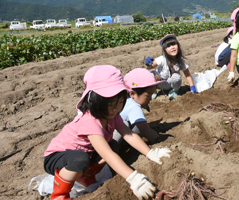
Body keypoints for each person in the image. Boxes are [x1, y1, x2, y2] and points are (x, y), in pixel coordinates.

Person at [44, 65, 172, 200]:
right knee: (81, 160)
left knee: (113, 145)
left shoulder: (113, 116)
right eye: (112, 104)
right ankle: (59, 194)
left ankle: (87, 177)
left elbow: (129, 135)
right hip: (57, 156)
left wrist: (151, 153)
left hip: (86, 153)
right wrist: (134, 178)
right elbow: (107, 154)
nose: (117, 109)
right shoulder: (90, 121)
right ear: (96, 100)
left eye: (121, 102)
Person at [113, 68, 164, 144]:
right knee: (137, 127)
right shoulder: (134, 107)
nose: (150, 99)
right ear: (132, 93)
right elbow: (145, 130)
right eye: (147, 96)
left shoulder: (125, 99)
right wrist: (160, 141)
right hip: (112, 140)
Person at [144, 34, 197, 100]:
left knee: (177, 77)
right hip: (159, 83)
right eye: (168, 46)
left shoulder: (180, 61)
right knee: (151, 74)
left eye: (174, 44)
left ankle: (174, 91)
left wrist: (192, 87)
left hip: (171, 84)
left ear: (178, 46)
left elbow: (188, 75)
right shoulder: (162, 59)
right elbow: (150, 66)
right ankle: (152, 90)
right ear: (164, 50)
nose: (172, 47)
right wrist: (148, 64)